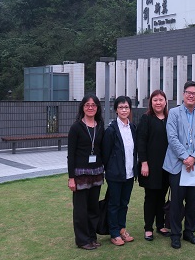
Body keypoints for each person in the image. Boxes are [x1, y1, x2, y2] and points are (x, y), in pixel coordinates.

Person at [163, 81, 195, 249]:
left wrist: (193, 158)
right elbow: (172, 138)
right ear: (183, 94)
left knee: (192, 201)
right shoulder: (174, 113)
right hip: (177, 164)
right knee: (176, 201)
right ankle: (175, 234)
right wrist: (185, 157)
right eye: (188, 92)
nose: (191, 96)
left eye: (194, 94)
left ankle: (189, 232)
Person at [67, 94, 105, 250]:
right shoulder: (76, 127)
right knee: (81, 209)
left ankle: (91, 237)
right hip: (80, 174)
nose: (91, 107)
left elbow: (102, 150)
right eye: (87, 105)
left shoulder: (100, 126)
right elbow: (71, 154)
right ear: (82, 107)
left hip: (96, 172)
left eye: (94, 105)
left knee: (93, 208)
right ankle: (82, 240)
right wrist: (71, 178)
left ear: (97, 108)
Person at [102, 96, 137, 246]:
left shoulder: (132, 128)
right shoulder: (111, 130)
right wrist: (109, 171)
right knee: (114, 204)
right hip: (115, 175)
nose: (124, 110)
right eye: (121, 107)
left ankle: (122, 229)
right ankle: (114, 232)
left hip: (129, 173)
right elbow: (106, 153)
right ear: (116, 110)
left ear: (130, 109)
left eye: (126, 107)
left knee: (124, 203)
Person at [137, 90, 171, 241]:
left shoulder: (170, 118)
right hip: (150, 165)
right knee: (150, 197)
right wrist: (144, 163)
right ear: (151, 102)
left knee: (161, 197)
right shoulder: (146, 118)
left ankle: (160, 225)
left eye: (161, 100)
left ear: (165, 102)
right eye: (155, 100)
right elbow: (141, 142)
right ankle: (148, 228)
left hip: (167, 165)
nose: (158, 102)